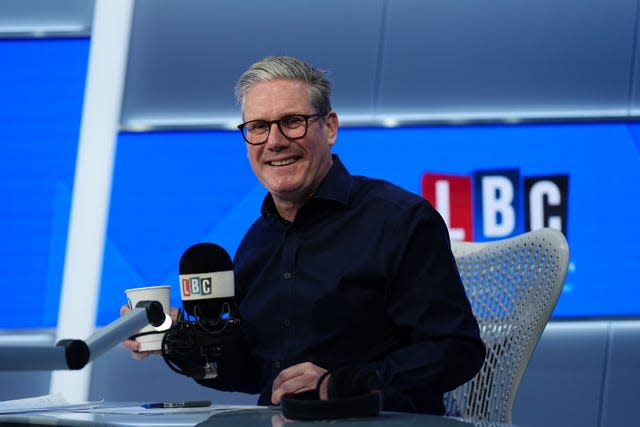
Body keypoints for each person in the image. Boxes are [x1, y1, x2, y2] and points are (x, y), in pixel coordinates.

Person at [122, 55, 485, 415]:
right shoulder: (256, 241)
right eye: (258, 127)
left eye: (292, 122)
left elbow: (456, 349)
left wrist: (341, 385)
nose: (274, 142)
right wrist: (175, 338)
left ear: (329, 127)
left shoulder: (400, 220)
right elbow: (254, 370)